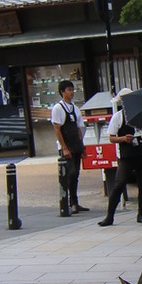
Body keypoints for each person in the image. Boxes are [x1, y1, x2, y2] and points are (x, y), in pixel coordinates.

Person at [98, 96, 142, 226]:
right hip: (126, 155)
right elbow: (111, 137)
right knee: (119, 183)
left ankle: (141, 214)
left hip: (141, 153)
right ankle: (110, 216)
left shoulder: (141, 116)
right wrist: (123, 139)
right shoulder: (118, 116)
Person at [50, 79, 88, 214]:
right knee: (69, 174)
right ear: (62, 92)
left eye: (72, 90)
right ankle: (66, 202)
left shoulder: (75, 108)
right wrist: (64, 147)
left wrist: (82, 147)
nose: (71, 92)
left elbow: (79, 129)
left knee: (76, 174)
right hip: (66, 146)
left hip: (76, 145)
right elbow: (57, 129)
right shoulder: (58, 108)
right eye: (69, 90)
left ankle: (75, 201)